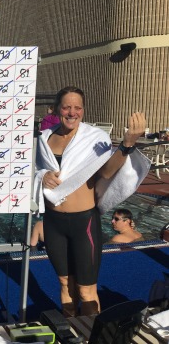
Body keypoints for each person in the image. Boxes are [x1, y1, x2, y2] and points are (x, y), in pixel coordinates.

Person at [33, 86, 151, 317]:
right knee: (65, 284)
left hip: (83, 222)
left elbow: (106, 172)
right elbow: (36, 171)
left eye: (78, 108)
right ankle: (73, 333)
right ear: (57, 109)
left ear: (83, 110)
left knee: (86, 291)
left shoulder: (94, 137)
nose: (72, 112)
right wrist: (43, 176)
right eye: (66, 107)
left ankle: (90, 337)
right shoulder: (45, 139)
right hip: (54, 221)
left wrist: (127, 144)